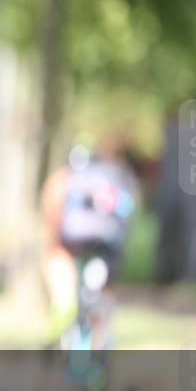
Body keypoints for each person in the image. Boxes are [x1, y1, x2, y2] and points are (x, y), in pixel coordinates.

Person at [40, 138, 138, 350]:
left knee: (66, 288)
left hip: (69, 244)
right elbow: (126, 214)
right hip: (105, 247)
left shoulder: (61, 180)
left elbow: (52, 218)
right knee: (101, 299)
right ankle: (97, 346)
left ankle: (63, 320)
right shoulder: (112, 178)